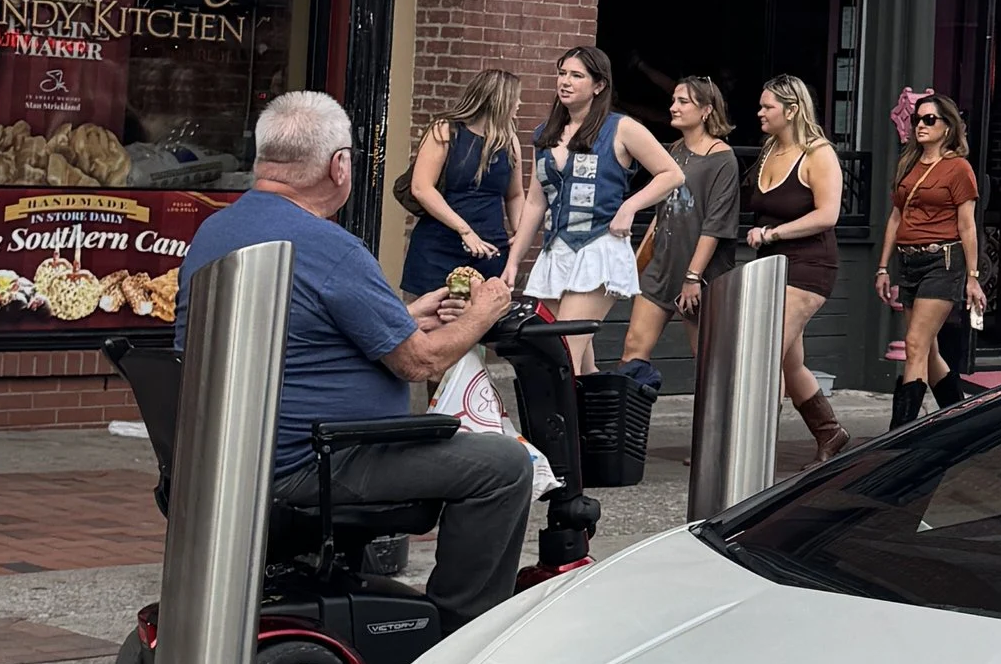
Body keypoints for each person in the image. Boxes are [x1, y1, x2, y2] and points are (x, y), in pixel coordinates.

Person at [180, 91, 532, 632]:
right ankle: (462, 632)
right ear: (338, 166)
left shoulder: (217, 230)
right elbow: (420, 363)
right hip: (315, 463)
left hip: (234, 456)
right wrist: (483, 310)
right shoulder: (330, 247)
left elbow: (301, 332)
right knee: (504, 466)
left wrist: (403, 316)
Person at [513, 44, 683, 375]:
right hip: (555, 251)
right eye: (562, 73)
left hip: (597, 247)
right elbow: (535, 201)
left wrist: (629, 207)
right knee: (576, 360)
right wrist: (513, 260)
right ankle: (599, 424)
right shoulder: (545, 134)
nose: (565, 81)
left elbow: (672, 174)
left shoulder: (620, 127)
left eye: (576, 75)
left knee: (560, 355)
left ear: (598, 85)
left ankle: (562, 427)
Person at [742, 72, 850, 463]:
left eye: (767, 106)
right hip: (769, 266)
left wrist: (773, 234)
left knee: (764, 351)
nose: (760, 112)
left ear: (791, 110)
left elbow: (828, 214)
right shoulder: (769, 149)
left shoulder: (818, 153)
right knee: (790, 361)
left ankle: (751, 447)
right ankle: (831, 432)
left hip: (809, 265)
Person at [873, 91, 983, 425]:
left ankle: (900, 434)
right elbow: (895, 217)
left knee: (915, 344)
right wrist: (882, 266)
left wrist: (973, 277)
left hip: (942, 261)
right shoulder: (908, 164)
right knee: (928, 350)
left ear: (948, 127)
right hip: (908, 261)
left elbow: (967, 225)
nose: (920, 125)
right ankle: (961, 422)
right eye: (916, 119)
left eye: (929, 119)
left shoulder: (958, 169)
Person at [622, 76, 741, 375]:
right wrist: (638, 261)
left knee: (706, 360)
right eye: (674, 100)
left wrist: (692, 277)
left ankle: (715, 422)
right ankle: (626, 419)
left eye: (683, 101)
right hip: (662, 266)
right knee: (633, 347)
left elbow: (715, 224)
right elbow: (662, 211)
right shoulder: (674, 150)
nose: (673, 107)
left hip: (701, 273)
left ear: (706, 110)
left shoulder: (723, 159)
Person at [400, 69, 532, 299]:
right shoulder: (446, 130)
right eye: (515, 97)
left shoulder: (509, 140)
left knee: (480, 322)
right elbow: (422, 188)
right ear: (498, 100)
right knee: (438, 318)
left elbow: (515, 194)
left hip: (489, 252)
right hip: (442, 250)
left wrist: (520, 233)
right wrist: (465, 231)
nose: (519, 103)